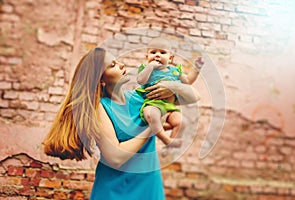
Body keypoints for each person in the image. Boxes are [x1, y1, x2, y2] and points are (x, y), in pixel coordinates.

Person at [43, 47, 201, 200]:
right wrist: (152, 128)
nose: (121, 65)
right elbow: (115, 158)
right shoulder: (99, 108)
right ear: (101, 79)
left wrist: (172, 87)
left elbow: (194, 96)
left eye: (117, 61)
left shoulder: (140, 98)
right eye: (112, 65)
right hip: (115, 189)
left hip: (148, 184)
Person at [136, 37, 204, 148]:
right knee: (151, 115)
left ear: (170, 58)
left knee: (182, 122)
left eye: (162, 52)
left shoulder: (175, 71)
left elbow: (188, 81)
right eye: (153, 52)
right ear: (147, 57)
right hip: (153, 104)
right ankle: (166, 139)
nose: (157, 55)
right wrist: (150, 67)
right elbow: (140, 80)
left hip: (170, 107)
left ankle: (170, 145)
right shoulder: (146, 69)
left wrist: (196, 69)